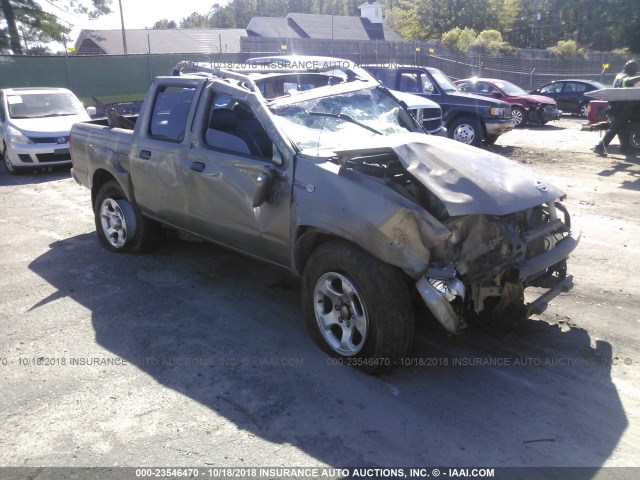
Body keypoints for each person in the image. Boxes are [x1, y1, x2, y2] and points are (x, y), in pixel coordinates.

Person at [593, 60, 640, 156]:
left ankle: (625, 148)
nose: (636, 70)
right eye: (634, 68)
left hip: (623, 107)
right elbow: (626, 82)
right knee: (614, 128)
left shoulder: (620, 75)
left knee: (622, 127)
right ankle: (600, 147)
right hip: (622, 108)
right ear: (629, 68)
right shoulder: (623, 77)